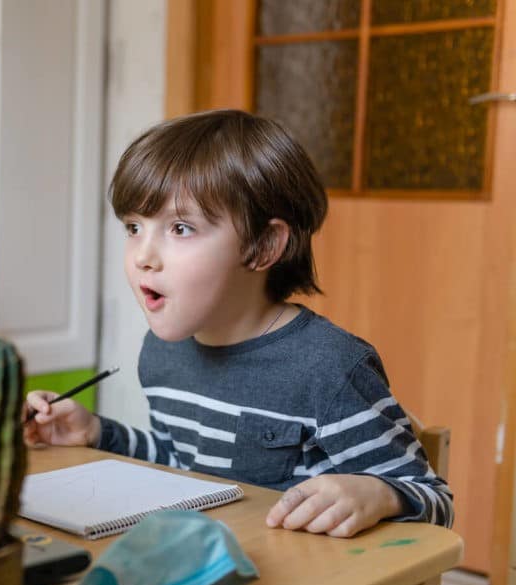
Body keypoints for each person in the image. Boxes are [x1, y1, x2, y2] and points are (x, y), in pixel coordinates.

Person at [24, 109, 453, 538]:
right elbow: (183, 465)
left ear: (263, 246)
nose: (142, 256)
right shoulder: (162, 353)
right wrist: (97, 431)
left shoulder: (329, 368)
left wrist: (378, 494)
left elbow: (435, 501)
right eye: (134, 227)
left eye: (180, 227)